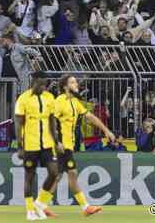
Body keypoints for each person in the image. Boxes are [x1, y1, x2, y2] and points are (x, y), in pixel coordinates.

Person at [51, 74, 116, 216]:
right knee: (68, 174)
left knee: (59, 176)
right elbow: (52, 122)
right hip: (60, 146)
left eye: (76, 82)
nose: (76, 85)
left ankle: (41, 205)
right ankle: (85, 207)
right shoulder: (60, 101)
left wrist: (106, 130)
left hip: (68, 145)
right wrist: (57, 142)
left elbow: (90, 117)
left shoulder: (74, 102)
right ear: (65, 86)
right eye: (73, 82)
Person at [14, 71, 61, 221]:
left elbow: (52, 121)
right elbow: (18, 123)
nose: (43, 86)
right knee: (29, 176)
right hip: (30, 145)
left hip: (47, 144)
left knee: (54, 172)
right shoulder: (23, 98)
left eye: (45, 84)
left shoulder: (49, 97)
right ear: (33, 82)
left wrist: (56, 141)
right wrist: (20, 146)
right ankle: (30, 210)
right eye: (41, 83)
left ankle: (39, 203)